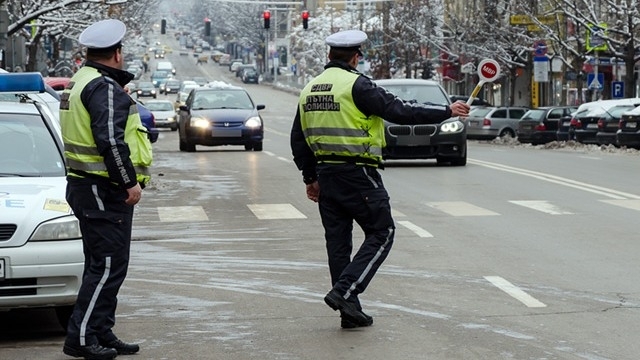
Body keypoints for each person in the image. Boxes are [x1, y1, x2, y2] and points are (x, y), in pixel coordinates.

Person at [290, 29, 469, 329]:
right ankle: (345, 293)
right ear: (356, 56)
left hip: (327, 176)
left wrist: (310, 177)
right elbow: (398, 110)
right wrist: (445, 111)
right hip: (358, 174)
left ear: (329, 56)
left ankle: (350, 311)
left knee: (338, 245)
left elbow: (299, 138)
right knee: (382, 232)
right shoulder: (356, 85)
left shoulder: (310, 89)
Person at [59, 19, 153, 360]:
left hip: (86, 186)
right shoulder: (102, 87)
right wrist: (129, 181)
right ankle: (82, 337)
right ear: (116, 53)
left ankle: (101, 329)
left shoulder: (80, 81)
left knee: (102, 263)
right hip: (103, 188)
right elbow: (110, 141)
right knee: (109, 265)